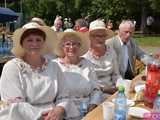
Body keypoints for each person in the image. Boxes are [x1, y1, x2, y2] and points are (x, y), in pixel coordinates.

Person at [0, 22, 72, 120]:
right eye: (29, 40)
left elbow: (64, 95)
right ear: (22, 43)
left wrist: (60, 109)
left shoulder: (54, 66)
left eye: (38, 40)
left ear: (44, 43)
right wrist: (44, 116)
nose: (34, 44)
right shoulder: (12, 67)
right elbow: (15, 104)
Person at [54, 30, 102, 119]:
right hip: (63, 113)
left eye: (75, 44)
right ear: (62, 46)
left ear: (80, 46)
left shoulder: (88, 64)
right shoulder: (55, 65)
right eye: (68, 44)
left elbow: (96, 89)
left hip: (87, 111)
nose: (71, 47)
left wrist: (93, 104)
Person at [83, 20, 120, 100]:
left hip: (112, 91)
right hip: (93, 94)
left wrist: (120, 86)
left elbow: (116, 75)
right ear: (90, 37)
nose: (99, 39)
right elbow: (85, 81)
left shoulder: (111, 51)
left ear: (106, 37)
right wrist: (104, 89)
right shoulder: (85, 55)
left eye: (102, 36)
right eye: (95, 35)